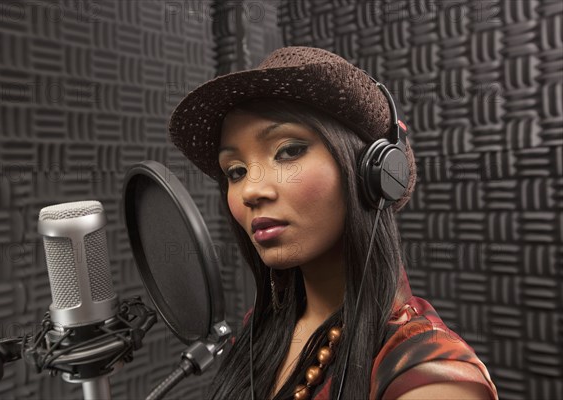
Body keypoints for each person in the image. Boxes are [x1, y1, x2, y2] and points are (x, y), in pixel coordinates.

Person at [168, 47, 499, 400]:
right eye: (235, 171)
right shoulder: (258, 330)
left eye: (288, 151)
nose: (250, 190)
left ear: (372, 173)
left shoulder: (429, 375)